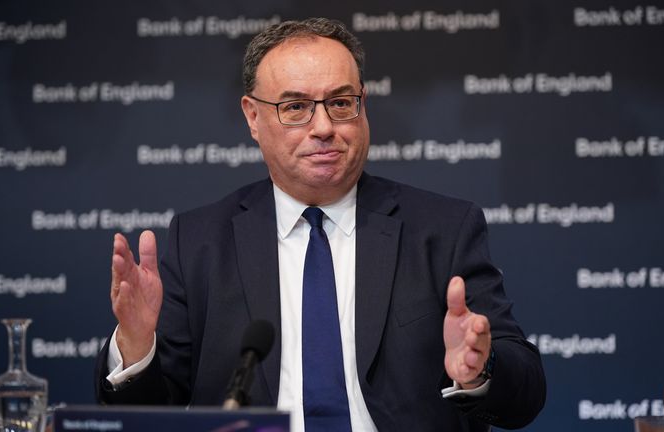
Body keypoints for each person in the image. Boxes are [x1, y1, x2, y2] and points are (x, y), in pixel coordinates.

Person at [95, 17, 545, 432]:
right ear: (253, 117)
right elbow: (148, 414)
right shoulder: (199, 242)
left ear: (363, 105)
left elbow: (526, 393)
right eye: (295, 107)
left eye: (341, 102)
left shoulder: (442, 229)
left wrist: (478, 369)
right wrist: (136, 348)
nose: (324, 127)